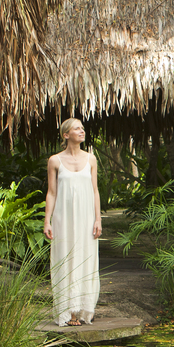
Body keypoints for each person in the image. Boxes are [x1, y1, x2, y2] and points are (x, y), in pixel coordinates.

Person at [43, 118, 101, 326]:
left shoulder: (91, 159)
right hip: (63, 218)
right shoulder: (55, 161)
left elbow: (95, 191)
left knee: (86, 257)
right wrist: (47, 220)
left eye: (83, 128)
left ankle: (84, 309)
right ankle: (70, 312)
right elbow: (51, 192)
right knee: (65, 258)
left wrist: (98, 219)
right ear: (66, 135)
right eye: (77, 128)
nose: (82, 131)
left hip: (86, 218)